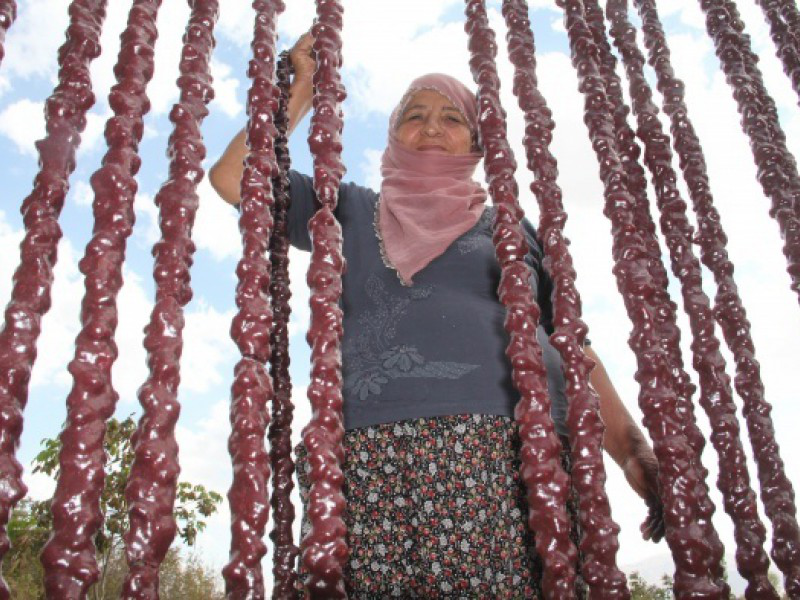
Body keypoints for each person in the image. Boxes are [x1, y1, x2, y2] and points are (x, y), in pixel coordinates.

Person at [210, 32, 663, 599]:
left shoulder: (512, 230)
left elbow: (572, 350)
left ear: (476, 141)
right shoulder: (347, 208)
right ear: (393, 133)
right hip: (370, 459)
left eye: (452, 118)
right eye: (414, 116)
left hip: (510, 459)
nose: (430, 128)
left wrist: (632, 451)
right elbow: (235, 179)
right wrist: (298, 89)